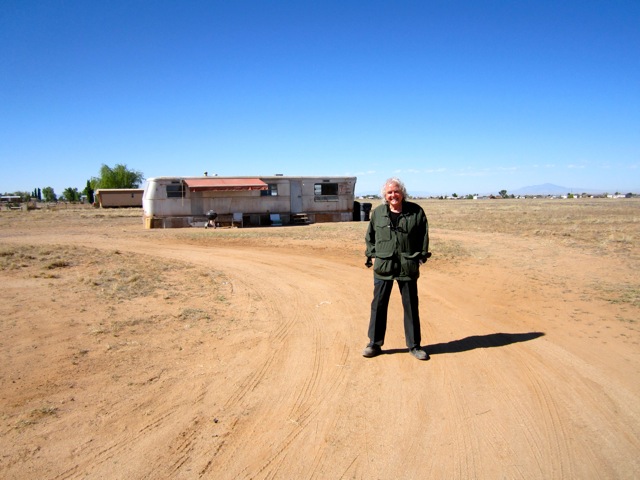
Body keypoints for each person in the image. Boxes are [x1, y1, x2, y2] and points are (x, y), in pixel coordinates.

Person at [363, 178, 430, 360]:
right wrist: (375, 253)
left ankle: (414, 346)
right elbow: (370, 236)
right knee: (378, 305)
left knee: (410, 306)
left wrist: (420, 255)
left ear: (402, 193)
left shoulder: (416, 212)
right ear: (385, 195)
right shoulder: (378, 213)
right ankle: (374, 344)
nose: (393, 195)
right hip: (384, 265)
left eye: (396, 191)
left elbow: (423, 234)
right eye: (389, 192)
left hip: (407, 265)